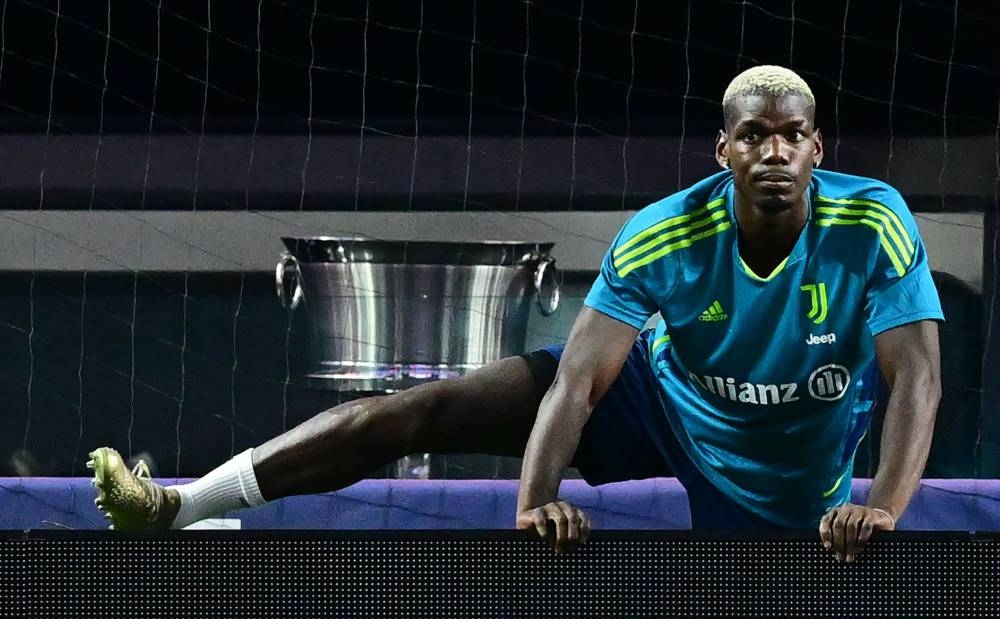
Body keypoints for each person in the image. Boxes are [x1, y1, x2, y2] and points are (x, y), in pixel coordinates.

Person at [89, 65, 942, 563]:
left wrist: (886, 508)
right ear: (723, 151)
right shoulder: (663, 234)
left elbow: (918, 378)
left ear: (817, 148)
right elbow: (575, 380)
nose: (774, 150)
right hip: (666, 407)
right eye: (753, 135)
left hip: (795, 464)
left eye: (791, 135)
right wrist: (535, 501)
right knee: (417, 408)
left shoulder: (872, 222)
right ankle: (177, 505)